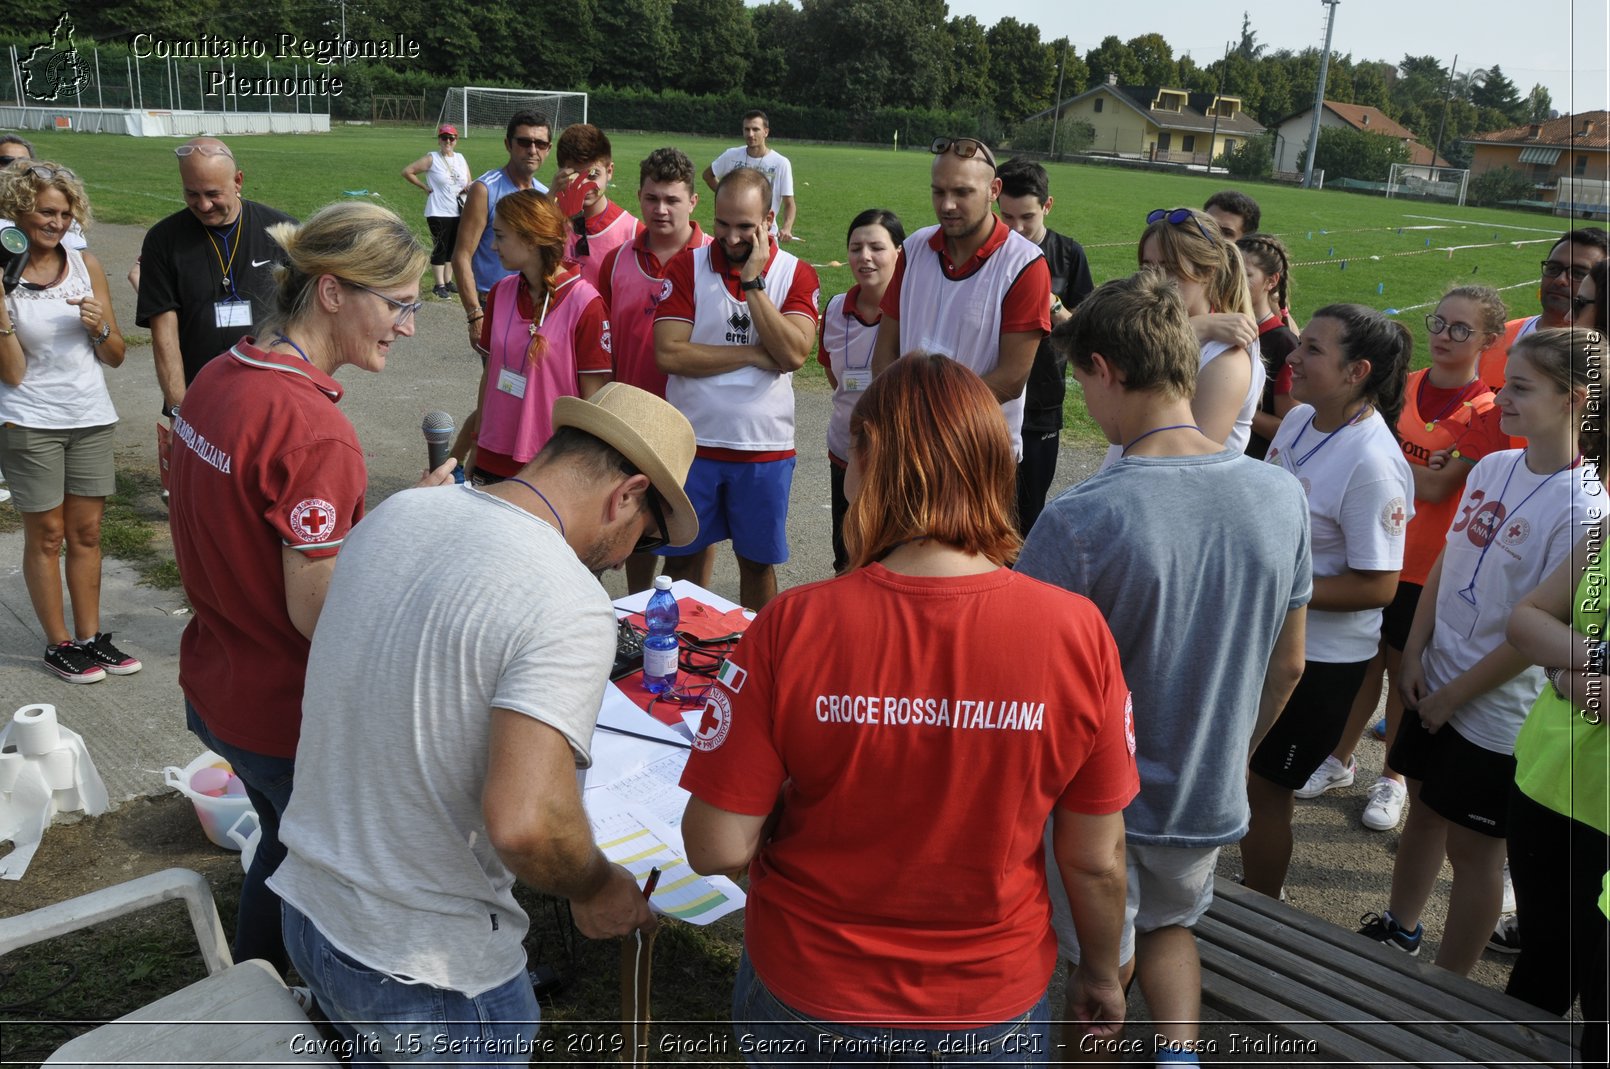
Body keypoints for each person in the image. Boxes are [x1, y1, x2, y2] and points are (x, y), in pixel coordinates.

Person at [680, 353, 1138, 1065]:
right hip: (988, 1004)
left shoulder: (791, 625)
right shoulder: (1078, 633)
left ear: (869, 460)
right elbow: (1097, 858)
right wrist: (1104, 971)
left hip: (810, 992)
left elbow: (716, 845)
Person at [272, 384, 693, 1063]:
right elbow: (527, 821)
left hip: (312, 908)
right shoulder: (569, 598)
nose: (621, 560)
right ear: (627, 494)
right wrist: (596, 886)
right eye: (639, 536)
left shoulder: (403, 509)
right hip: (426, 963)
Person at [1017, 272, 1309, 1065]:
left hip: (1098, 808)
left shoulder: (1080, 519)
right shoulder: (1281, 497)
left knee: (1097, 970)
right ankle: (1179, 1057)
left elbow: (1029, 686)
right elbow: (1288, 665)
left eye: (1082, 381)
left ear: (1105, 369)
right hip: (1209, 792)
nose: (1085, 402)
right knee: (1174, 927)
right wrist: (1229, 752)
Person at [168, 202, 454, 976]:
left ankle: (256, 986)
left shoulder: (220, 375)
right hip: (284, 714)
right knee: (313, 876)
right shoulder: (314, 429)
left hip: (217, 681)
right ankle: (287, 998)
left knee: (278, 845)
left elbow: (257, 536)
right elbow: (319, 610)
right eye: (398, 305)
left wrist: (391, 518)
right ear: (331, 292)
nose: (408, 325)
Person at [1356, 327, 1601, 975]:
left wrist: (1453, 695)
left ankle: (1448, 981)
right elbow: (1447, 560)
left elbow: (1532, 634)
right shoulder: (1494, 466)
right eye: (1504, 383)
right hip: (1433, 675)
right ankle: (1400, 928)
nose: (1500, 399)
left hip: (1494, 711)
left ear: (1575, 399)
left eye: (1519, 388)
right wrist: (1414, 652)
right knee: (1425, 816)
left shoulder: (1586, 507)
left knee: (1476, 850)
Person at [1307, 288, 1509, 835]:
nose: (1444, 335)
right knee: (1363, 667)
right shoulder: (1408, 384)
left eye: (1462, 330)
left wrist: (1379, 459)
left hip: (1424, 565)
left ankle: (1392, 777)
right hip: (1371, 548)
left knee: (1403, 673)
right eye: (1439, 323)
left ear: (1490, 342)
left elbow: (1441, 486)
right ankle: (1341, 759)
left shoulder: (1487, 408)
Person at [1242, 304, 1414, 899]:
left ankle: (1261, 915)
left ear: (1356, 371)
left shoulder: (1373, 463)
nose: (1292, 356)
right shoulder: (1298, 421)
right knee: (1239, 779)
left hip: (1320, 662)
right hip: (1268, 637)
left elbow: (1379, 586)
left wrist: (1279, 590)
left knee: (1265, 792)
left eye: (1313, 349)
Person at [1503, 314, 1608, 1065]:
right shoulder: (1606, 535)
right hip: (1544, 778)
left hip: (1602, 809)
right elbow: (1525, 621)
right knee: (1540, 962)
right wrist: (1595, 659)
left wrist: (1575, 666)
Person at [653, 168, 819, 610]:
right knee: (681, 562)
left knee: (757, 565)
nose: (729, 237)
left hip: (763, 448)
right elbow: (669, 354)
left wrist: (752, 283)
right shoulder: (686, 266)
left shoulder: (795, 274)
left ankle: (755, 660)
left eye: (744, 226)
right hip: (693, 444)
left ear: (768, 220)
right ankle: (678, 657)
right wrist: (750, 355)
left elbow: (792, 355)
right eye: (722, 223)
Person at [0, 161, 139, 684]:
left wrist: (102, 327)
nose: (55, 222)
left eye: (64, 213)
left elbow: (118, 355)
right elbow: (12, 374)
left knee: (86, 532)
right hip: (28, 420)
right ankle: (58, 643)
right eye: (44, 211)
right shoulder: (3, 274)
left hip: (90, 416)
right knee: (48, 535)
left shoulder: (87, 267)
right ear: (17, 210)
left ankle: (90, 637)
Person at [871, 137, 1051, 463]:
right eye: (938, 191)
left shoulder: (1025, 264)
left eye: (962, 192)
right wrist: (900, 417)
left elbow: (1011, 378)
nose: (947, 205)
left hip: (977, 454)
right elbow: (884, 352)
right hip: (906, 444)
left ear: (994, 190)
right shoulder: (913, 249)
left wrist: (930, 416)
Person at [597, 147, 710, 592]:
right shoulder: (618, 259)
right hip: (633, 418)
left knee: (695, 528)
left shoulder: (713, 259)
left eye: (672, 199)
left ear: (693, 201)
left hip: (695, 419)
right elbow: (601, 341)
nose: (660, 210)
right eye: (651, 198)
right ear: (640, 197)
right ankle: (639, 605)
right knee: (634, 524)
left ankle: (684, 610)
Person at [135, 137, 296, 415]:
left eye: (213, 194)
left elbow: (307, 318)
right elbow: (165, 335)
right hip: (199, 396)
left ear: (238, 181)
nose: (204, 205)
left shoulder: (282, 232)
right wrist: (177, 408)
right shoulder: (163, 240)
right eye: (192, 194)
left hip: (270, 393)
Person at [460, 190, 612, 485]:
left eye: (500, 236)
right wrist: (477, 442)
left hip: (551, 463)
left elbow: (592, 400)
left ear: (530, 240)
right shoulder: (501, 292)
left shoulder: (586, 303)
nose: (492, 246)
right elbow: (490, 375)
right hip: (492, 453)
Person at [1106, 207, 1261, 464]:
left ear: (1209, 270)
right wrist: (1194, 327)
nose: (1154, 281)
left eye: (1170, 269)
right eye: (1147, 267)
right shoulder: (1151, 328)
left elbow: (1185, 463)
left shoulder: (1226, 359)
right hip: (1129, 481)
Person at [995, 157, 1094, 533]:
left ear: (1047, 206)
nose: (1016, 229)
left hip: (1040, 405)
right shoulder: (986, 252)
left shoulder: (1069, 255)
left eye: (1027, 218)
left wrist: (1052, 304)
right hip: (991, 400)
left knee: (1027, 514)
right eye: (1006, 218)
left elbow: (1086, 334)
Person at [819, 209, 903, 573]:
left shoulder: (912, 310)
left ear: (899, 253)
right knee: (846, 554)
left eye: (876, 247)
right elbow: (832, 373)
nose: (864, 257)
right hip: (845, 452)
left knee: (889, 558)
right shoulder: (837, 308)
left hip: (894, 459)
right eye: (856, 248)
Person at [452, 111, 552, 342]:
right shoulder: (484, 189)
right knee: (499, 376)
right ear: (508, 144)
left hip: (535, 302)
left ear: (548, 149)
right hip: (494, 301)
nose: (532, 150)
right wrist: (475, 315)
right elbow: (461, 255)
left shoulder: (544, 194)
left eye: (540, 144)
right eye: (524, 142)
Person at [1480, 226, 1607, 388]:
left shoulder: (1601, 364)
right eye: (1553, 268)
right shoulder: (1498, 338)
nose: (1560, 280)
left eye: (1578, 273)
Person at [552, 123, 641, 289]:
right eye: (575, 175)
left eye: (593, 175)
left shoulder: (633, 231)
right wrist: (551, 197)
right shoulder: (549, 218)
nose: (584, 184)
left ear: (609, 171)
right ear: (561, 172)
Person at [1237, 233, 1298, 460]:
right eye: (1229, 271)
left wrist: (1229, 403)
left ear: (1271, 281)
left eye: (1246, 275)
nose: (1234, 280)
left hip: (1251, 464)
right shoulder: (1216, 324)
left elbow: (1288, 428)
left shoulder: (1283, 343)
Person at [401, 123, 471, 300]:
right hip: (438, 210)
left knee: (453, 248)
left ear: (456, 140)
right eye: (444, 138)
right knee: (441, 246)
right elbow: (408, 171)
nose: (448, 141)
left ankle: (448, 281)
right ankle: (438, 284)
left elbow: (469, 180)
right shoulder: (432, 158)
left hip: (458, 209)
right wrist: (424, 186)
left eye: (451, 138)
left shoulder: (461, 158)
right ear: (439, 140)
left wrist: (467, 188)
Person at [702, 110, 796, 241]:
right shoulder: (731, 155)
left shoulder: (781, 163)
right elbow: (708, 175)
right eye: (747, 129)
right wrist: (725, 194)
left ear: (766, 132)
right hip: (733, 233)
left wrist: (787, 227)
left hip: (765, 233)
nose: (750, 134)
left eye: (755, 129)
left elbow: (789, 204)